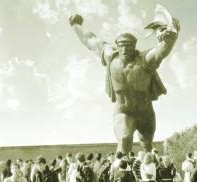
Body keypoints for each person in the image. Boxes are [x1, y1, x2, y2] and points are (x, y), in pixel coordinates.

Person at [69, 13, 180, 154]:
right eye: (121, 46)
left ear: (134, 47)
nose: (125, 49)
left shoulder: (144, 60)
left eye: (129, 46)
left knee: (147, 145)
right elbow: (90, 40)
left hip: (145, 112)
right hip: (123, 111)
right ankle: (120, 173)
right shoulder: (111, 57)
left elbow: (160, 52)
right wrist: (76, 25)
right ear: (117, 47)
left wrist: (169, 38)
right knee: (124, 139)